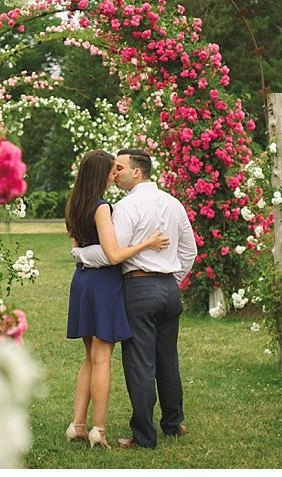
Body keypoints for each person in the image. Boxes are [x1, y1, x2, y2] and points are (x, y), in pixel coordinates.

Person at [72, 148, 198, 449]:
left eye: (120, 168)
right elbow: (189, 251)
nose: (115, 174)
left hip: (140, 288)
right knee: (168, 358)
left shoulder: (126, 207)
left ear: (136, 172)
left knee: (140, 363)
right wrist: (171, 280)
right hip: (169, 289)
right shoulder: (173, 203)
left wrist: (79, 254)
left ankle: (143, 435)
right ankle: (172, 423)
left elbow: (111, 254)